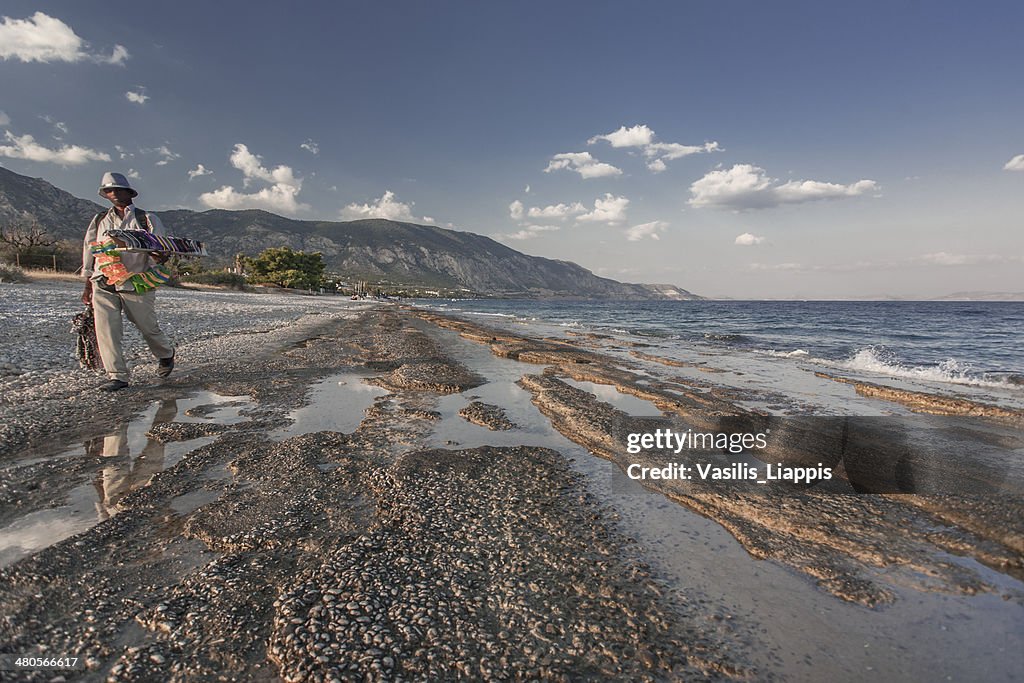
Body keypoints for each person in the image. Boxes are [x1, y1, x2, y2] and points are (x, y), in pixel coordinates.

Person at [82, 172, 175, 391]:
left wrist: (159, 257)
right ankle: (117, 376)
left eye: (116, 189)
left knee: (147, 326)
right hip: (103, 280)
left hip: (136, 281)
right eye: (108, 190)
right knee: (106, 329)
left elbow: (159, 250)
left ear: (128, 192)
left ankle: (165, 353)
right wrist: (87, 284)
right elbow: (89, 249)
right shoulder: (99, 220)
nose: (113, 194)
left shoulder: (146, 219)